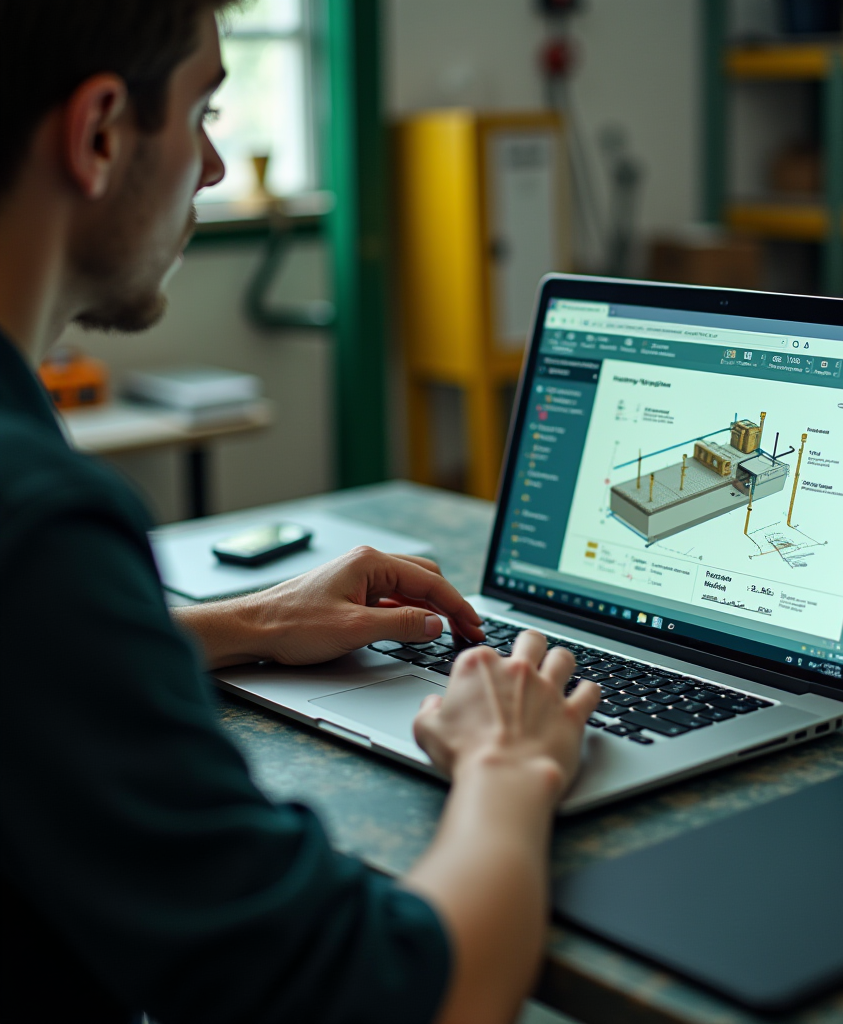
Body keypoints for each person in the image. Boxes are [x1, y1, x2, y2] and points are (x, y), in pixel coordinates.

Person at [0, 3, 601, 1022]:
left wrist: (255, 623)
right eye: (202, 111)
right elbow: (400, 996)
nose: (214, 167)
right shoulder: (40, 525)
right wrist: (510, 763)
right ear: (100, 132)